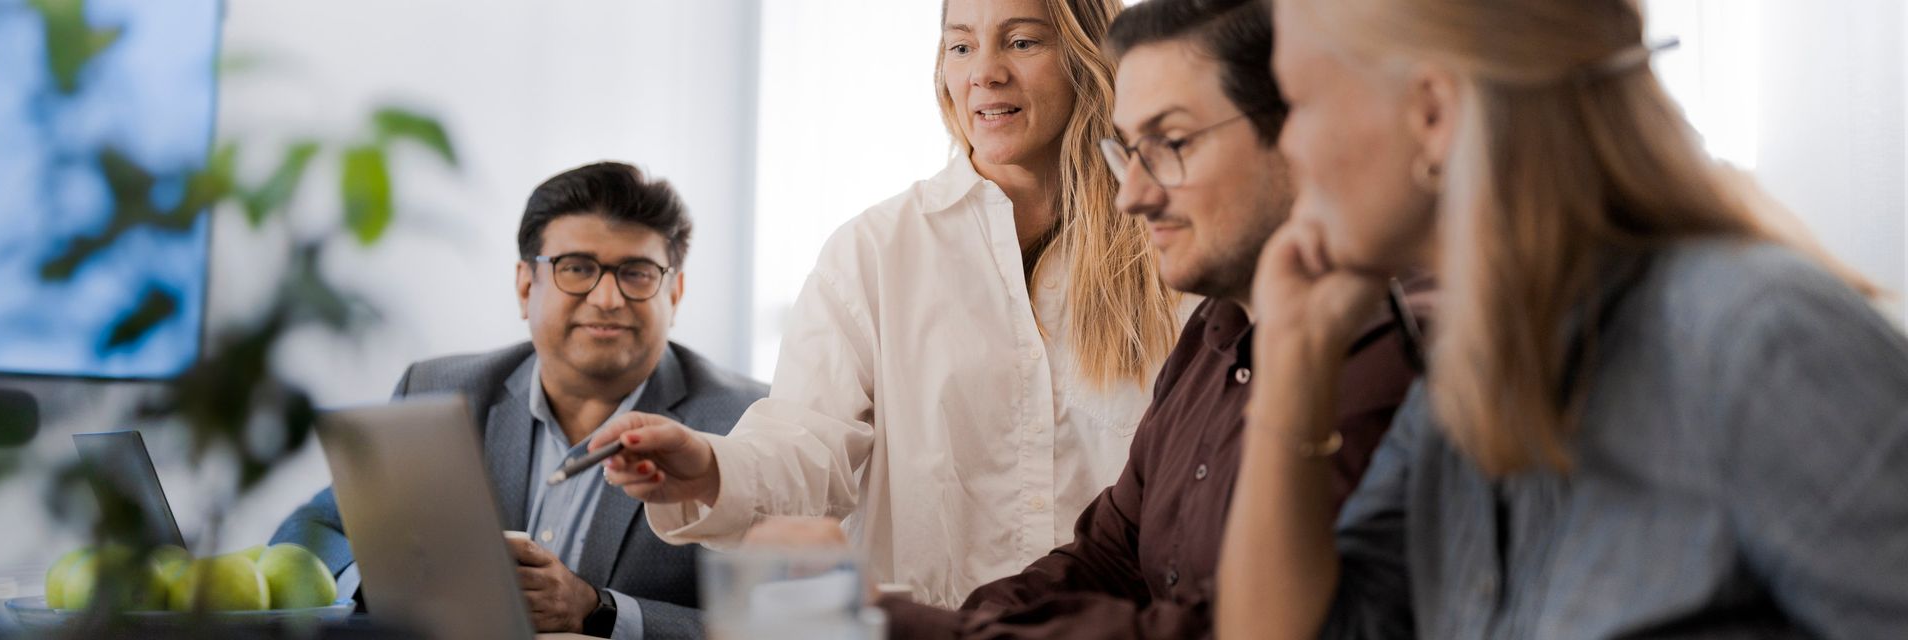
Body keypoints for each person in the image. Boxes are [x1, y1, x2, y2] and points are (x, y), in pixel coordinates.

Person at [1219, 0, 1908, 637]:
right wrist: (1294, 356)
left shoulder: (1759, 342)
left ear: (1432, 114)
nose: (1290, 150)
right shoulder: (1457, 390)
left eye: (1297, 104)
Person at [586, 0, 1191, 608]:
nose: (984, 73)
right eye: (960, 46)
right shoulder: (874, 251)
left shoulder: (1173, 248)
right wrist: (711, 468)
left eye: (1023, 42)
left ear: (1088, 57)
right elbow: (807, 446)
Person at [874, 0, 1425, 636]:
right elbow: (1110, 554)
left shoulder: (1385, 361)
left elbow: (1226, 627)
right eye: (1130, 150)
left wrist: (902, 626)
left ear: (1295, 134)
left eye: (1171, 143)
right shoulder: (1213, 333)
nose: (1133, 193)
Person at [272, 162, 767, 640]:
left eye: (637, 273)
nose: (607, 299)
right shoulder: (438, 390)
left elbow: (785, 622)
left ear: (674, 294)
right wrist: (394, 588)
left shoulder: (746, 423)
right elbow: (312, 530)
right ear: (526, 285)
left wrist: (597, 610)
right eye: (577, 268)